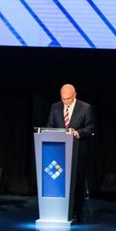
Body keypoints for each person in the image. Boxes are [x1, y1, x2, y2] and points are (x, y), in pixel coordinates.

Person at [46, 84, 95, 223]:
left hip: (78, 152)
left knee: (77, 182)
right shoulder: (55, 107)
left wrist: (77, 133)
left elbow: (90, 128)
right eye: (63, 99)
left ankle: (76, 212)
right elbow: (50, 125)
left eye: (68, 99)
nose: (65, 102)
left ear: (75, 95)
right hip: (59, 153)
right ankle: (58, 210)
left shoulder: (85, 108)